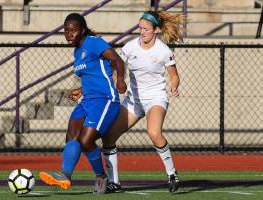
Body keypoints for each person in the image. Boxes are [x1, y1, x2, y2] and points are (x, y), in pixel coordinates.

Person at [39, 13, 127, 194]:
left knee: (86, 141)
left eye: (73, 30)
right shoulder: (77, 51)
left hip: (105, 100)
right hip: (87, 100)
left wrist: (120, 80)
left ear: (83, 31)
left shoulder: (94, 42)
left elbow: (116, 59)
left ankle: (101, 177)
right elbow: (93, 76)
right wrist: (81, 90)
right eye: (66, 30)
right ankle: (65, 174)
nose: (69, 34)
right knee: (72, 137)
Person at [101, 10, 184, 193]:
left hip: (155, 98)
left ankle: (172, 173)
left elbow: (174, 75)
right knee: (108, 137)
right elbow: (117, 66)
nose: (142, 31)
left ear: (156, 30)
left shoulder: (163, 51)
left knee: (154, 132)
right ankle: (114, 182)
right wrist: (116, 78)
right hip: (133, 100)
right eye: (140, 28)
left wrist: (174, 86)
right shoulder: (130, 47)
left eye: (146, 29)